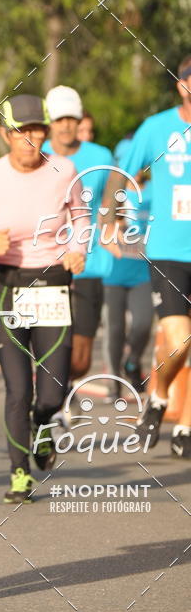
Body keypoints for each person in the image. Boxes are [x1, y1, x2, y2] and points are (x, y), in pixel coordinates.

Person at [0, 95, 86, 504]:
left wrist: (78, 248)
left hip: (52, 283)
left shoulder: (64, 169)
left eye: (38, 130)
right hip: (7, 288)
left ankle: (42, 426)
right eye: (22, 131)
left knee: (52, 392)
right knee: (18, 389)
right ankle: (19, 474)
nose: (31, 138)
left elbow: (82, 219)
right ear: (5, 134)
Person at [118, 54, 191, 454]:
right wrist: (111, 214)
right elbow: (123, 172)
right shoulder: (157, 128)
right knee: (179, 341)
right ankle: (159, 397)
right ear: (180, 84)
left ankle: (185, 427)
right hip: (169, 251)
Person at [43, 85, 114, 381]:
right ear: (50, 123)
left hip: (90, 263)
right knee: (49, 344)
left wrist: (115, 224)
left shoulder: (102, 156)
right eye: (60, 120)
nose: (66, 125)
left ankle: (58, 391)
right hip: (45, 261)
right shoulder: (37, 155)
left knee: (81, 359)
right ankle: (51, 402)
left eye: (72, 118)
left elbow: (111, 202)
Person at [102, 177, 153, 395]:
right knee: (114, 331)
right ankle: (114, 383)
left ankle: (132, 361)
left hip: (143, 273)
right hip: (113, 274)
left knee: (143, 323)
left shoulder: (153, 190)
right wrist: (114, 224)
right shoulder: (115, 191)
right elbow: (102, 223)